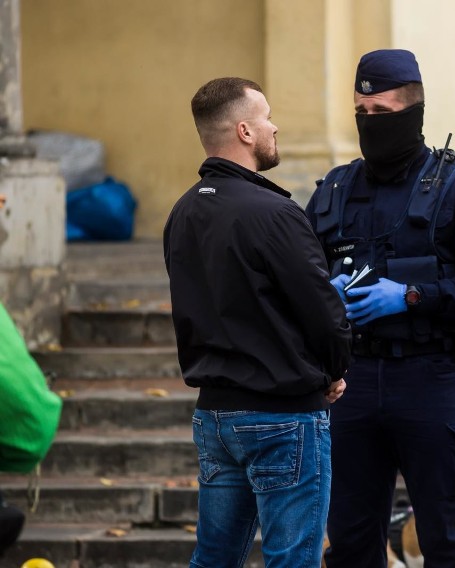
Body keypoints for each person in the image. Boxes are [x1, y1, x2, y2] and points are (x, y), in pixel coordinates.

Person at [305, 49, 455, 567]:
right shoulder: (333, 191)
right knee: (351, 544)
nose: (370, 124)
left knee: (446, 542)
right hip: (349, 381)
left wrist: (412, 296)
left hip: (429, 380)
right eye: (362, 113)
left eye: (383, 113)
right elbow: (300, 278)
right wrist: (323, 292)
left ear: (415, 113)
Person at [164, 77, 352, 568]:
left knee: (214, 559)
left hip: (215, 416)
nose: (276, 126)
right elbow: (321, 307)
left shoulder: (183, 211)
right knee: (292, 559)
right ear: (245, 131)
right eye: (267, 117)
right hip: (282, 415)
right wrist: (335, 368)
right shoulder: (274, 213)